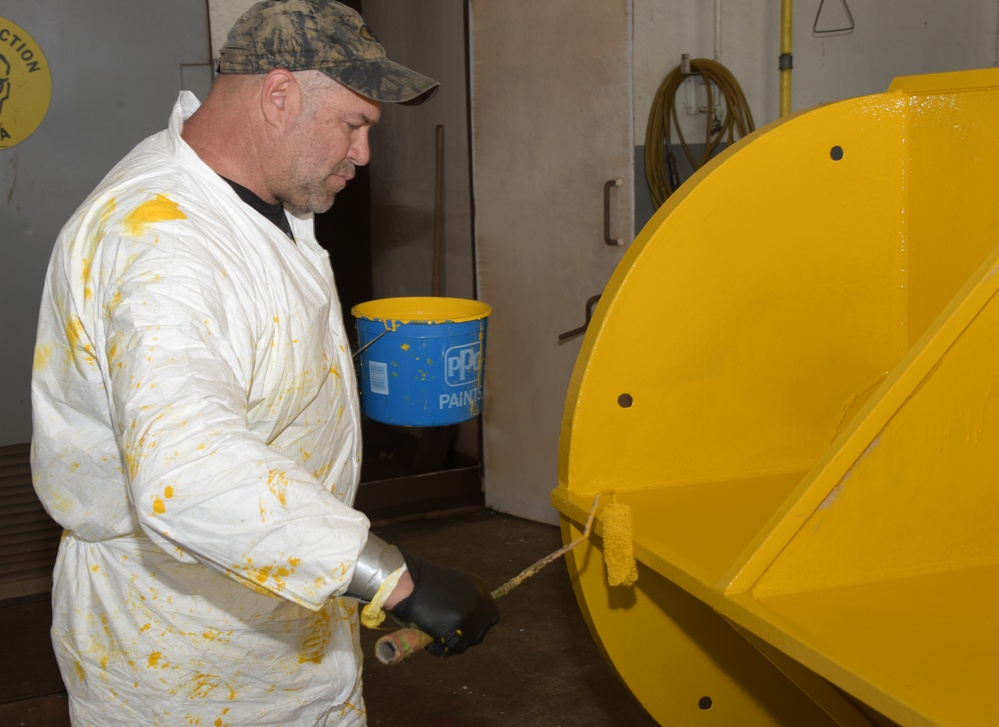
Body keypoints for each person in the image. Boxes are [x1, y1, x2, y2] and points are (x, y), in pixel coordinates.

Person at [29, 1, 499, 724]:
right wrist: (395, 579)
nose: (363, 155)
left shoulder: (257, 202)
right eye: (353, 125)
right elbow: (189, 472)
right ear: (278, 96)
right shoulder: (162, 245)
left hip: (283, 611)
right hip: (186, 657)